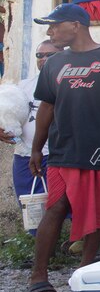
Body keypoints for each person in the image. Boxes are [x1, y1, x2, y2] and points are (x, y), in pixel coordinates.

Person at [26, 3, 100, 292]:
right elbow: (46, 108)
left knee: (97, 210)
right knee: (56, 207)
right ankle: (38, 276)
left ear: (76, 25)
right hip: (63, 150)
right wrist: (37, 148)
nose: (50, 32)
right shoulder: (53, 64)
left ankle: (85, 272)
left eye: (54, 25)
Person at [0, 40, 61, 201]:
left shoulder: (73, 85)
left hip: (59, 156)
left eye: (50, 55)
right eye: (39, 55)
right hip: (25, 155)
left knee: (61, 207)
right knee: (30, 206)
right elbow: (7, 112)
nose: (43, 58)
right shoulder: (23, 86)